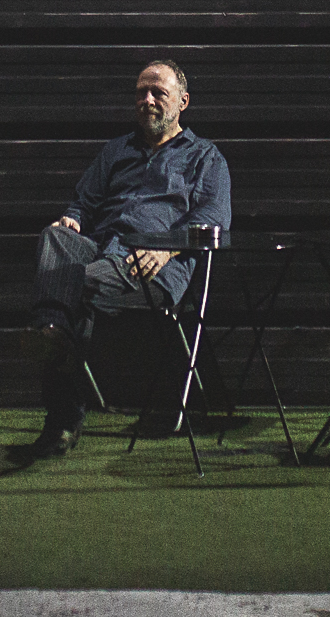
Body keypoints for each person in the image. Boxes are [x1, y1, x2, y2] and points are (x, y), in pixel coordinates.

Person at [17, 59, 232, 459]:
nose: (146, 100)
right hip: (102, 250)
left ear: (183, 102)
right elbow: (83, 202)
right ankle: (52, 328)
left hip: (151, 266)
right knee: (55, 237)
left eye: (158, 93)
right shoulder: (116, 151)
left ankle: (61, 414)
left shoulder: (205, 158)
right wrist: (73, 219)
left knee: (69, 290)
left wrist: (167, 247)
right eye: (140, 93)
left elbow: (213, 221)